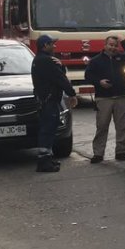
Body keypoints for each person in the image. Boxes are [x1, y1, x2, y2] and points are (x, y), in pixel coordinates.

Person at [84, 35, 125, 164]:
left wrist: (124, 42)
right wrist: (99, 82)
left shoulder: (121, 58)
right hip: (104, 98)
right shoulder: (96, 60)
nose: (113, 47)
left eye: (115, 45)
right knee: (102, 126)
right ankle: (98, 153)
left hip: (120, 97)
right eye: (110, 45)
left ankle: (121, 152)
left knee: (122, 126)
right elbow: (88, 76)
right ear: (105, 45)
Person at [31, 34, 78, 173]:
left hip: (45, 101)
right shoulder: (46, 61)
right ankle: (44, 162)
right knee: (47, 131)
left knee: (49, 130)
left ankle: (48, 158)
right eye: (52, 44)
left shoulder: (39, 60)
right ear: (45, 45)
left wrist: (60, 66)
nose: (54, 46)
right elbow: (60, 79)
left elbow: (57, 75)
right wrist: (72, 94)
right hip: (49, 102)